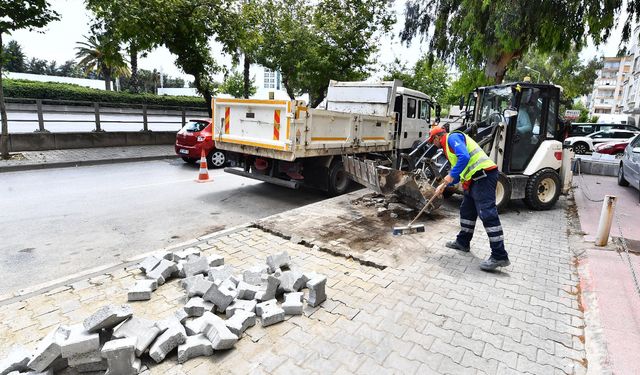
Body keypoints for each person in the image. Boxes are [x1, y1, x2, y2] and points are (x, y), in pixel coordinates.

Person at [428, 127, 510, 271]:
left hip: (483, 176)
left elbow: (465, 157)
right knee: (467, 211)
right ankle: (463, 242)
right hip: (473, 180)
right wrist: (444, 185)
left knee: (488, 215)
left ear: (437, 138)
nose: (433, 145)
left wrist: (449, 177)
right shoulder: (449, 148)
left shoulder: (451, 138)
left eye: (432, 141)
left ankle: (499, 255)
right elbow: (460, 171)